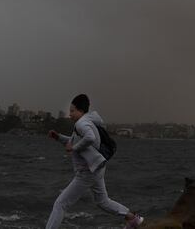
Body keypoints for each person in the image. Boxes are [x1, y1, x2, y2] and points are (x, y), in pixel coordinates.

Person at [46, 94, 143, 229]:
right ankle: (133, 219)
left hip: (87, 172)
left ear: (81, 111)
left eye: (72, 111)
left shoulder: (81, 123)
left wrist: (73, 148)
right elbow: (75, 141)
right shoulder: (88, 121)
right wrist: (58, 137)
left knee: (60, 204)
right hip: (97, 168)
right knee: (103, 201)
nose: (70, 114)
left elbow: (89, 138)